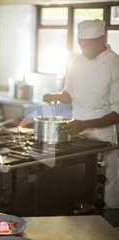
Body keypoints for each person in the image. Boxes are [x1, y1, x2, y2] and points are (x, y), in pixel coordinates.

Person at [43, 19, 119, 209]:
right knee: (78, 183)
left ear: (102, 38)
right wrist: (56, 96)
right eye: (81, 43)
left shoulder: (115, 63)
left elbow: (117, 113)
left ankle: (107, 226)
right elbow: (69, 95)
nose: (84, 48)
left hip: (103, 137)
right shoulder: (76, 61)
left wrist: (85, 124)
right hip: (77, 134)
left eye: (88, 43)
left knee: (104, 189)